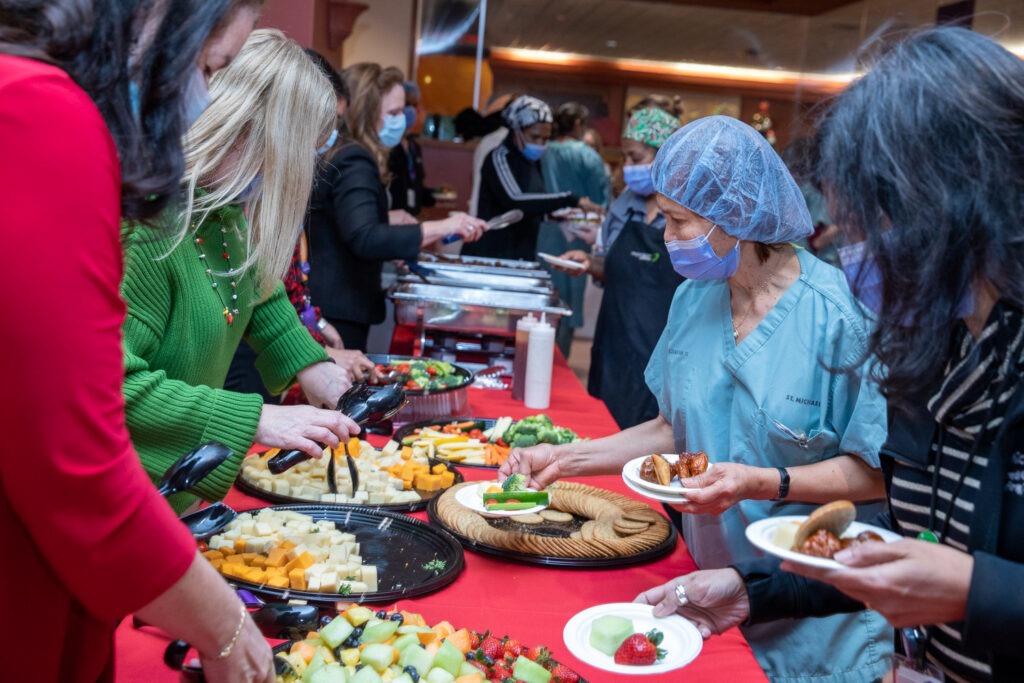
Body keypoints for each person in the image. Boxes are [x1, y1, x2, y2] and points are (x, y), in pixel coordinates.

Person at [641, 28, 1024, 683]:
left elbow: (966, 576)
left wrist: (972, 590)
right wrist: (756, 591)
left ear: (967, 204)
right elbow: (896, 545)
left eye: (879, 225)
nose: (860, 253)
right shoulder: (938, 354)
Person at [502, 116, 893, 682]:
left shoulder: (842, 320)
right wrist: (562, 460)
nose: (666, 235)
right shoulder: (693, 300)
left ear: (739, 215)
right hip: (709, 601)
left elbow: (877, 474)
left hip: (817, 623)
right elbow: (671, 428)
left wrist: (764, 482)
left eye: (680, 221)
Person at [1, 1, 275, 681]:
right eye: (208, 66)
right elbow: (76, 462)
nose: (203, 96)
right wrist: (224, 624)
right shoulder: (41, 113)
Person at [121, 30, 362, 515]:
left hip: (178, 494)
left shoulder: (223, 210)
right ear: (250, 135)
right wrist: (257, 419)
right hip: (126, 503)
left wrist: (313, 367)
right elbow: (112, 390)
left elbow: (258, 293)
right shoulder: (147, 230)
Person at [306, 62, 487, 351]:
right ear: (367, 113)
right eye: (393, 113)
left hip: (333, 301)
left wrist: (393, 234)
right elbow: (364, 237)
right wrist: (442, 227)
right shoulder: (354, 159)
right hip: (340, 306)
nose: (402, 120)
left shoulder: (343, 152)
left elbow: (344, 223)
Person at [555, 104, 683, 429]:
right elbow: (611, 264)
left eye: (635, 158)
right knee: (602, 426)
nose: (627, 166)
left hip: (661, 349)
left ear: (665, 157)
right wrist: (590, 263)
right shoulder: (624, 204)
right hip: (613, 342)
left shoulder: (685, 211)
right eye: (625, 157)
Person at [462, 95, 603, 261]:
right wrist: (571, 199)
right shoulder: (499, 157)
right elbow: (514, 199)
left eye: (545, 139)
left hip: (520, 253)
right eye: (535, 137)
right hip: (490, 253)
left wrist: (551, 216)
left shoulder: (533, 161)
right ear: (517, 130)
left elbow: (524, 210)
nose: (540, 144)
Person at [538, 101, 610, 359]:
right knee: (566, 303)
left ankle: (534, 353)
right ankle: (559, 362)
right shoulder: (588, 156)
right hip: (579, 233)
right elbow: (601, 201)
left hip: (545, 231)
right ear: (579, 124)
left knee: (541, 296)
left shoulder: (543, 152)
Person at [387, 81, 436, 217]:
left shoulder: (414, 147)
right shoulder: (387, 146)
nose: (411, 111)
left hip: (411, 217)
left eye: (414, 105)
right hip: (391, 218)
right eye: (407, 105)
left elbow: (415, 184)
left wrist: (434, 194)